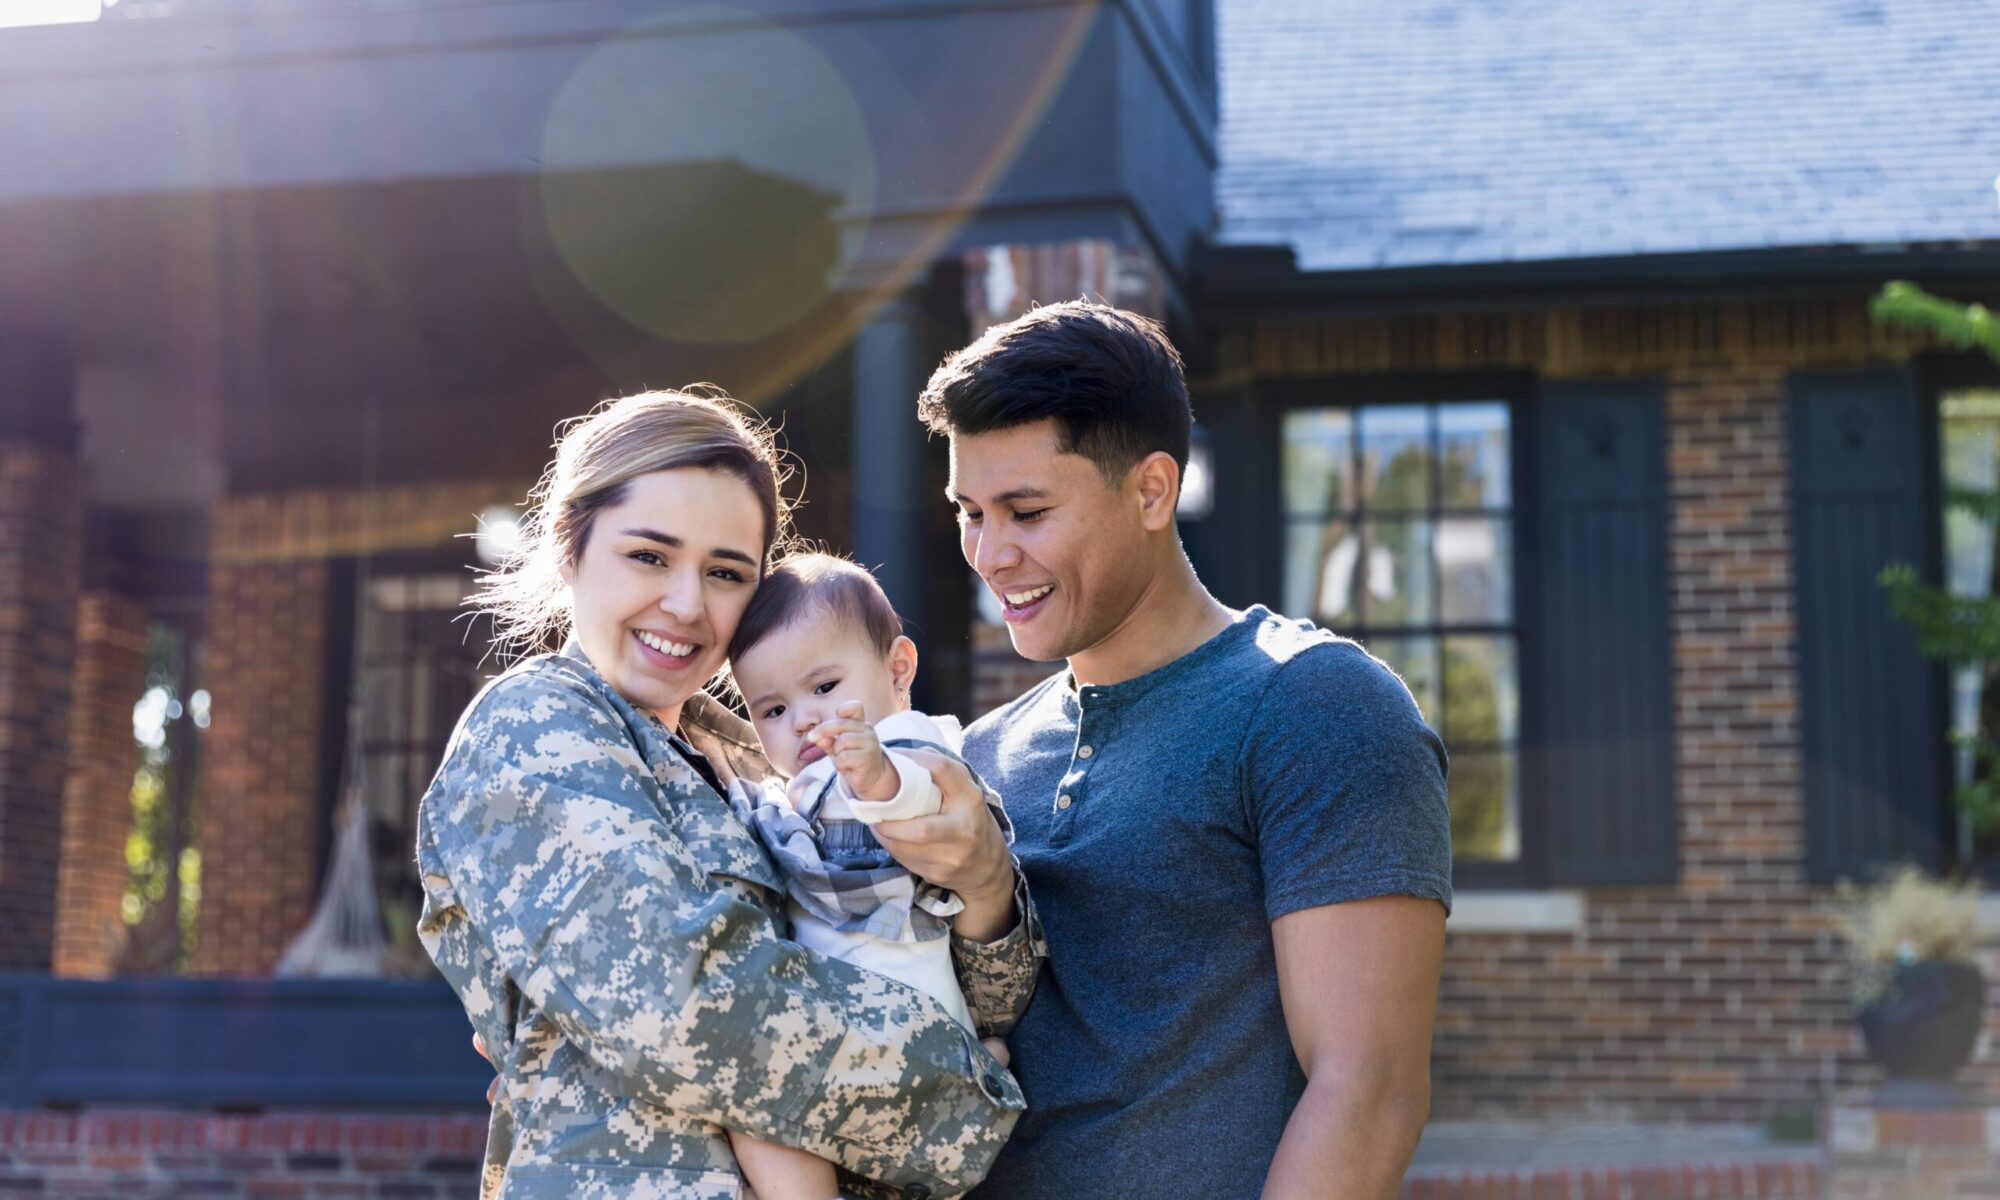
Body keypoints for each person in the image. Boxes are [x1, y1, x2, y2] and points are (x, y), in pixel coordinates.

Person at [415, 389, 1042, 1200]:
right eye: (649, 556)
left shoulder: (763, 761)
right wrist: (959, 1090)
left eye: (725, 573)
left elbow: (989, 999)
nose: (686, 604)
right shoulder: (536, 728)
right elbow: (684, 1012)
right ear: (570, 548)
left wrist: (987, 884)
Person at [920, 302, 1453, 1199]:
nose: (990, 553)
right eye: (970, 511)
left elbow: (1369, 1090)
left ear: (1152, 491)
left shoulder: (1314, 705)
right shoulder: (985, 753)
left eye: (1027, 511)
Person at [719, 552, 1016, 1200]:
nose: (802, 718)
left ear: (897, 669)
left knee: (757, 1100)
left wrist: (874, 774)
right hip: (856, 1037)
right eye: (771, 709)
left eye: (824, 688)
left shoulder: (904, 741)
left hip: (899, 1021)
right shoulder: (792, 792)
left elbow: (921, 798)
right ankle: (977, 1075)